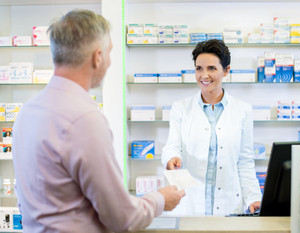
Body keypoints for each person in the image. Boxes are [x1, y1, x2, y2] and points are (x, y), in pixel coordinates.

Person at [12, 9, 185, 232]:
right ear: (98, 57)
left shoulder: (28, 111)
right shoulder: (83, 118)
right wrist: (161, 199)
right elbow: (123, 218)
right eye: (110, 52)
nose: (110, 61)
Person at [161, 39, 261, 216]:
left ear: (226, 71)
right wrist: (171, 157)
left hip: (229, 204)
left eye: (212, 68)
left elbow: (245, 161)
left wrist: (253, 197)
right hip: (189, 203)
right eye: (199, 68)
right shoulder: (181, 108)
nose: (204, 75)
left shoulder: (243, 110)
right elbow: (172, 146)